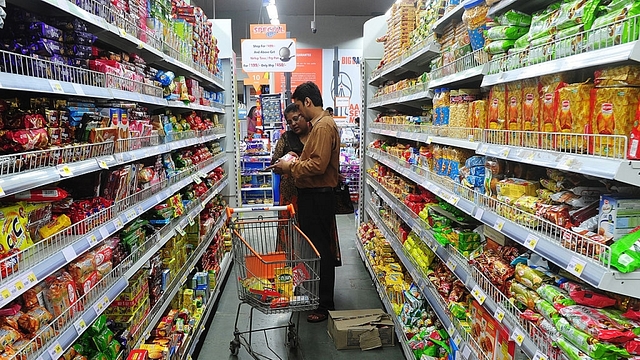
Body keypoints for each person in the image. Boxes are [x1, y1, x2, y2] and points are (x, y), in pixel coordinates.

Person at [269, 82, 340, 323]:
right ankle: (317, 297)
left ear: (307, 102)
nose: (298, 114)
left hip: (318, 196)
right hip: (313, 195)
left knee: (320, 250)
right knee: (316, 248)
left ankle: (324, 304)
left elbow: (318, 165)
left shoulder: (321, 127)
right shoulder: (323, 125)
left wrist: (291, 166)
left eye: (299, 106)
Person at [271, 103, 310, 224]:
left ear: (304, 116)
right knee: (289, 227)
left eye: (296, 118)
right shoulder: (286, 138)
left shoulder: (315, 135)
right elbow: (274, 164)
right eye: (289, 122)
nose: (293, 124)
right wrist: (287, 159)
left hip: (311, 189)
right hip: (289, 192)